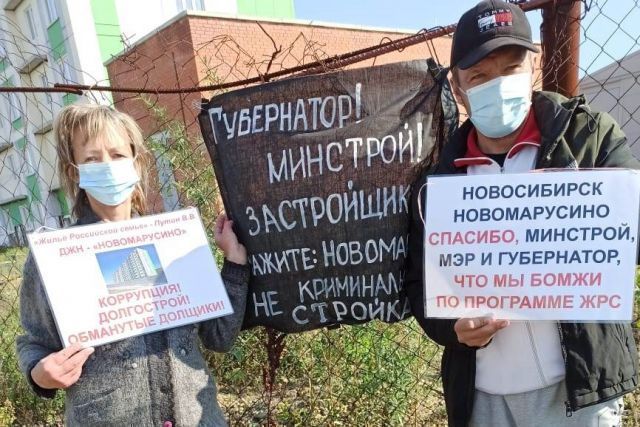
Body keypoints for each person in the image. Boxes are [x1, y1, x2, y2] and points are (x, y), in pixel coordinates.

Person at [405, 1, 640, 426]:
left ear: (533, 64)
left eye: (511, 68)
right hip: (484, 398)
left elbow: (631, 235)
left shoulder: (588, 139)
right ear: (458, 88)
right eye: (479, 76)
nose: (498, 85)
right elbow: (419, 284)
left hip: (579, 391)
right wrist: (452, 328)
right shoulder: (437, 183)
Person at [16, 103, 249, 426]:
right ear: (74, 172)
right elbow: (34, 342)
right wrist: (40, 373)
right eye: (92, 159)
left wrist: (235, 265)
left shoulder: (175, 241)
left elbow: (219, 337)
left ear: (136, 163)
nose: (108, 166)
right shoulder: (55, 257)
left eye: (117, 154)